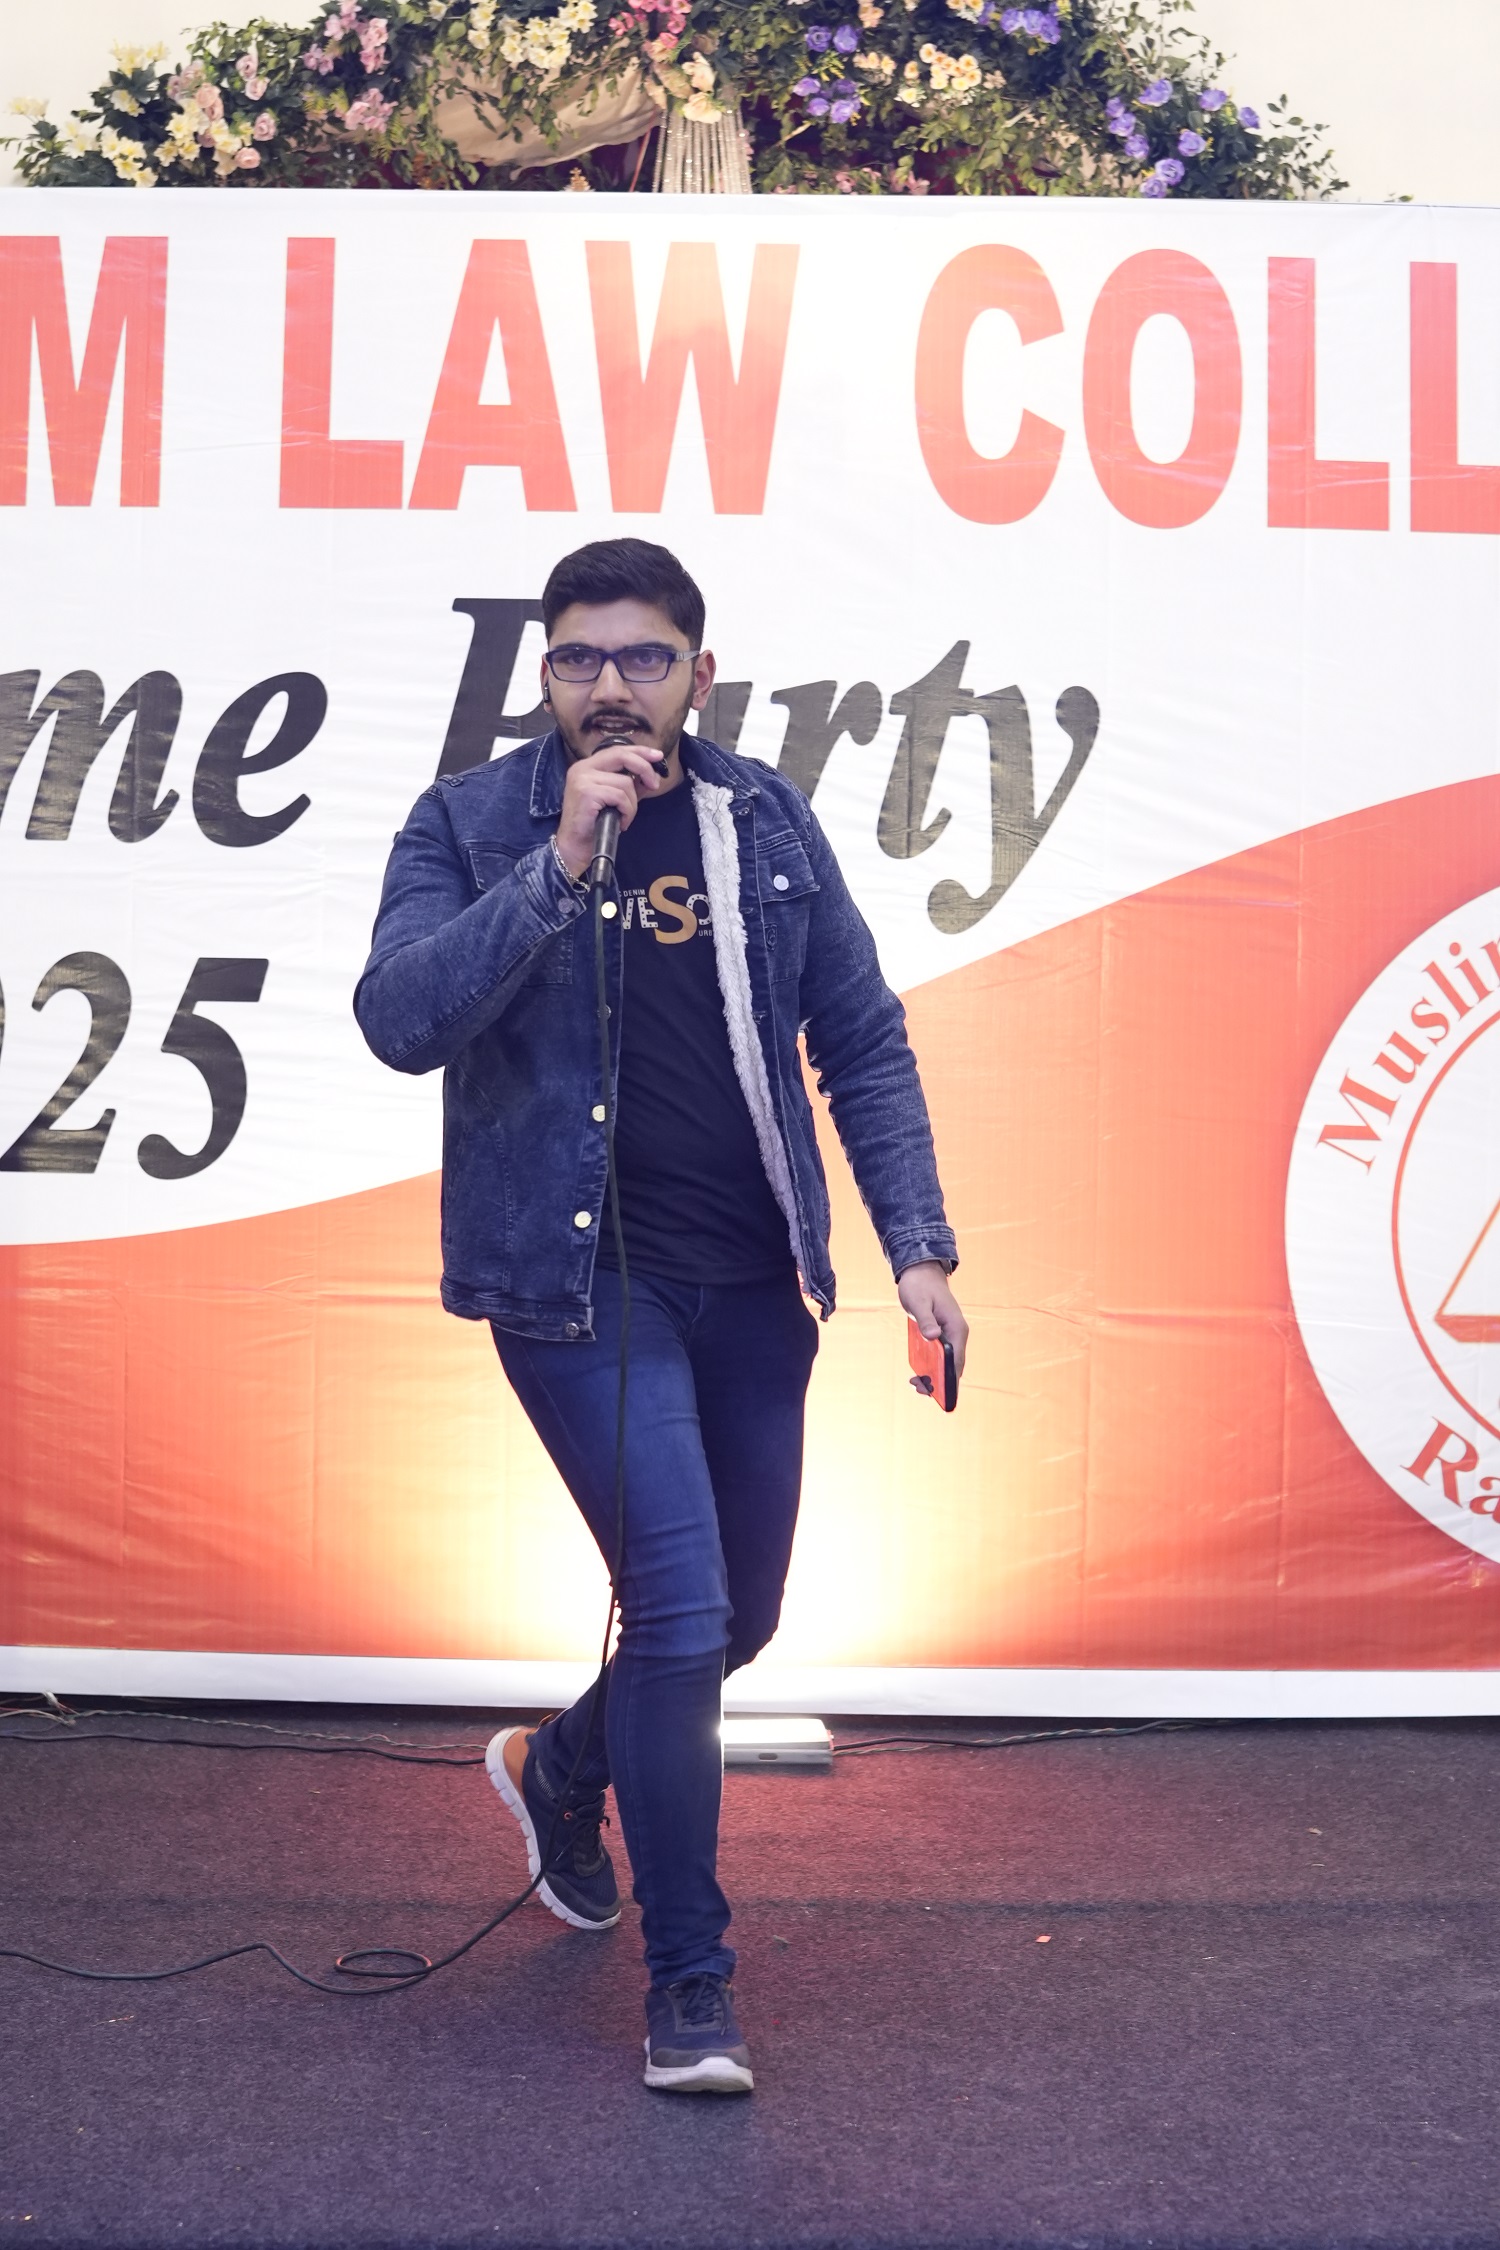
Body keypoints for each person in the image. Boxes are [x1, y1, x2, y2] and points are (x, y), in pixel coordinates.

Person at [354, 538, 966, 2096]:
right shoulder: (471, 820)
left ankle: (560, 1765)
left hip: (757, 1279)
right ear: (545, 674)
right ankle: (692, 1982)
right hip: (579, 1287)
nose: (611, 684)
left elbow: (861, 1038)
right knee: (678, 1611)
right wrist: (558, 867)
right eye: (580, 657)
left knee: (739, 1621)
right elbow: (399, 1020)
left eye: (643, 655)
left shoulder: (766, 819)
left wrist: (917, 1247)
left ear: (701, 668)